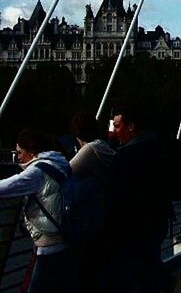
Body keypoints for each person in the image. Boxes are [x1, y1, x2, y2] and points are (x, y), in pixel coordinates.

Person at [106, 104, 174, 293]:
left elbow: (116, 194)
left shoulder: (127, 155)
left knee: (137, 270)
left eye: (118, 126)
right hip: (159, 216)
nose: (115, 131)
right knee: (150, 260)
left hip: (135, 223)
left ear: (131, 126)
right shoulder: (159, 146)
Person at [0, 128, 76, 293]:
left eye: (19, 152)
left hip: (49, 244)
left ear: (31, 151)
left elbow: (8, 187)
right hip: (64, 238)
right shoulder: (59, 163)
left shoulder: (37, 171)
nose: (18, 157)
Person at [69, 112, 113, 293]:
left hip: (94, 218)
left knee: (88, 269)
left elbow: (66, 172)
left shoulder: (90, 150)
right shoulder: (103, 146)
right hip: (107, 213)